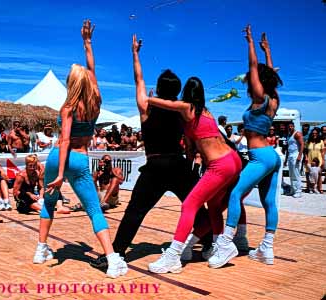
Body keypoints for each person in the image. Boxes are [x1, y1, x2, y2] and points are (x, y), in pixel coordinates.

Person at [90, 35, 212, 269]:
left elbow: (138, 79)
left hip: (155, 166)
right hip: (178, 165)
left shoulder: (147, 107)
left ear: (158, 88)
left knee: (135, 211)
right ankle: (209, 243)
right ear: (176, 92)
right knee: (195, 207)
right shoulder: (182, 110)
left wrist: (135, 53)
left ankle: (116, 253)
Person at [33, 20, 128, 279]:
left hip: (58, 158)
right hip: (79, 158)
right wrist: (88, 42)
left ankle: (41, 249)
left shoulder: (68, 108)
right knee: (94, 210)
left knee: (49, 203)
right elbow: (93, 69)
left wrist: (60, 173)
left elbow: (63, 141)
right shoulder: (96, 101)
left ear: (70, 83)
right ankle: (112, 259)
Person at [146, 75, 242, 274]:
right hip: (233, 159)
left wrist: (149, 97)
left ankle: (173, 256)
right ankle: (218, 246)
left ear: (186, 93)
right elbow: (194, 147)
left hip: (220, 164)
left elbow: (160, 102)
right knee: (214, 207)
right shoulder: (206, 113)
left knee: (189, 205)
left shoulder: (186, 107)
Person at [209, 27, 283, 268]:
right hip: (271, 156)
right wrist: (268, 51)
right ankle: (267, 249)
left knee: (235, 194)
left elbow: (253, 68)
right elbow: (267, 74)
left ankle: (226, 244)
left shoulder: (260, 98)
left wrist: (251, 43)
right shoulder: (273, 99)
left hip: (260, 156)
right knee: (269, 203)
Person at [284, 122, 304, 198]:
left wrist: (299, 155)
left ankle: (298, 191)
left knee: (296, 173)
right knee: (291, 174)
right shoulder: (289, 135)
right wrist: (286, 160)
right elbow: (289, 148)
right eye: (289, 126)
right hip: (290, 155)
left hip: (296, 154)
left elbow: (302, 144)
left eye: (291, 126)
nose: (290, 127)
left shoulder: (297, 134)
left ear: (294, 126)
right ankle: (293, 190)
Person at [305, 128, 324, 193]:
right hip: (310, 158)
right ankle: (309, 187)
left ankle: (320, 188)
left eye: (316, 133)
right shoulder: (308, 141)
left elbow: (322, 152)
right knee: (308, 173)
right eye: (313, 133)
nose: (314, 134)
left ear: (318, 134)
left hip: (318, 159)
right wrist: (306, 157)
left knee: (319, 174)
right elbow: (305, 151)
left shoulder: (321, 141)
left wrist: (323, 160)